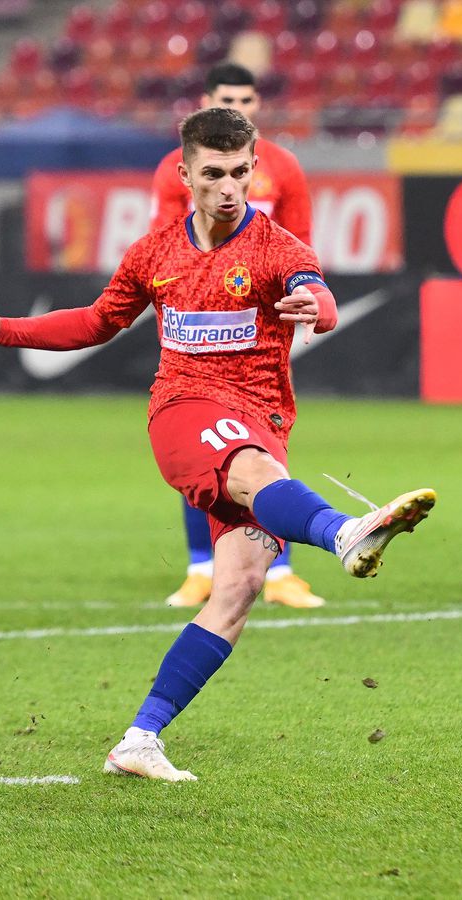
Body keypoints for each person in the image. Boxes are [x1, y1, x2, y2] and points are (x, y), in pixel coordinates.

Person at [0, 107, 436, 781]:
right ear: (185, 175)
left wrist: (316, 311)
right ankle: (343, 532)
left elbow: (319, 297)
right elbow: (96, 322)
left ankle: (139, 739)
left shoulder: (279, 249)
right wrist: (4, 328)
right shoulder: (154, 254)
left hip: (261, 422)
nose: (230, 187)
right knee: (250, 468)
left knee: (236, 591)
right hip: (185, 412)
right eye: (214, 174)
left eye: (241, 172)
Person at [150, 62, 322, 610]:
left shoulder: (283, 167)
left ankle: (279, 571)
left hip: (260, 325)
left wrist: (308, 300)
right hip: (200, 318)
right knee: (200, 440)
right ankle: (201, 565)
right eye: (229, 97)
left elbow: (300, 243)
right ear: (207, 99)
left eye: (248, 98)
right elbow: (163, 243)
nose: (241, 107)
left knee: (263, 437)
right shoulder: (176, 169)